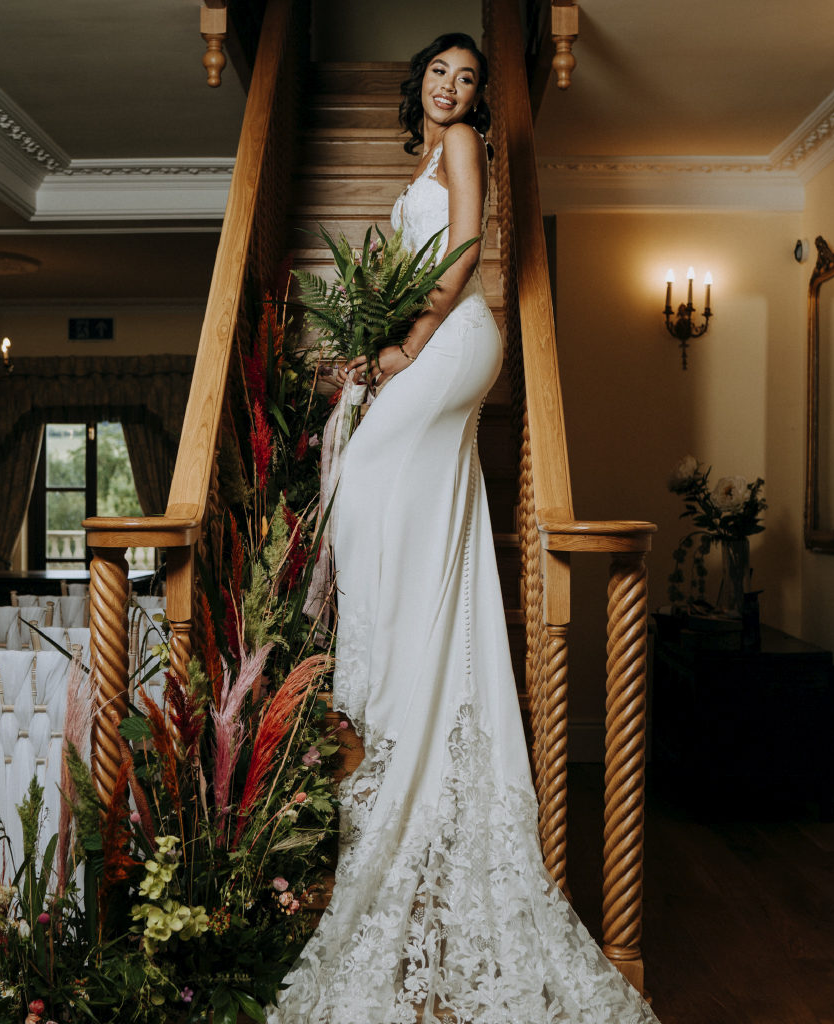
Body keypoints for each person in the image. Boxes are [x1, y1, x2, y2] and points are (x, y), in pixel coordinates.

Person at [268, 33, 661, 1023]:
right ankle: (412, 678)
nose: (452, 88)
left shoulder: (467, 150)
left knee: (357, 483)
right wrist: (365, 349)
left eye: (467, 77)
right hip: (423, 337)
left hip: (454, 336)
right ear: (420, 87)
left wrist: (403, 346)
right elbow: (403, 263)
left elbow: (466, 252)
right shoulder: (420, 155)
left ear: (480, 97)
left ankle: (396, 684)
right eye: (440, 74)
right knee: (380, 496)